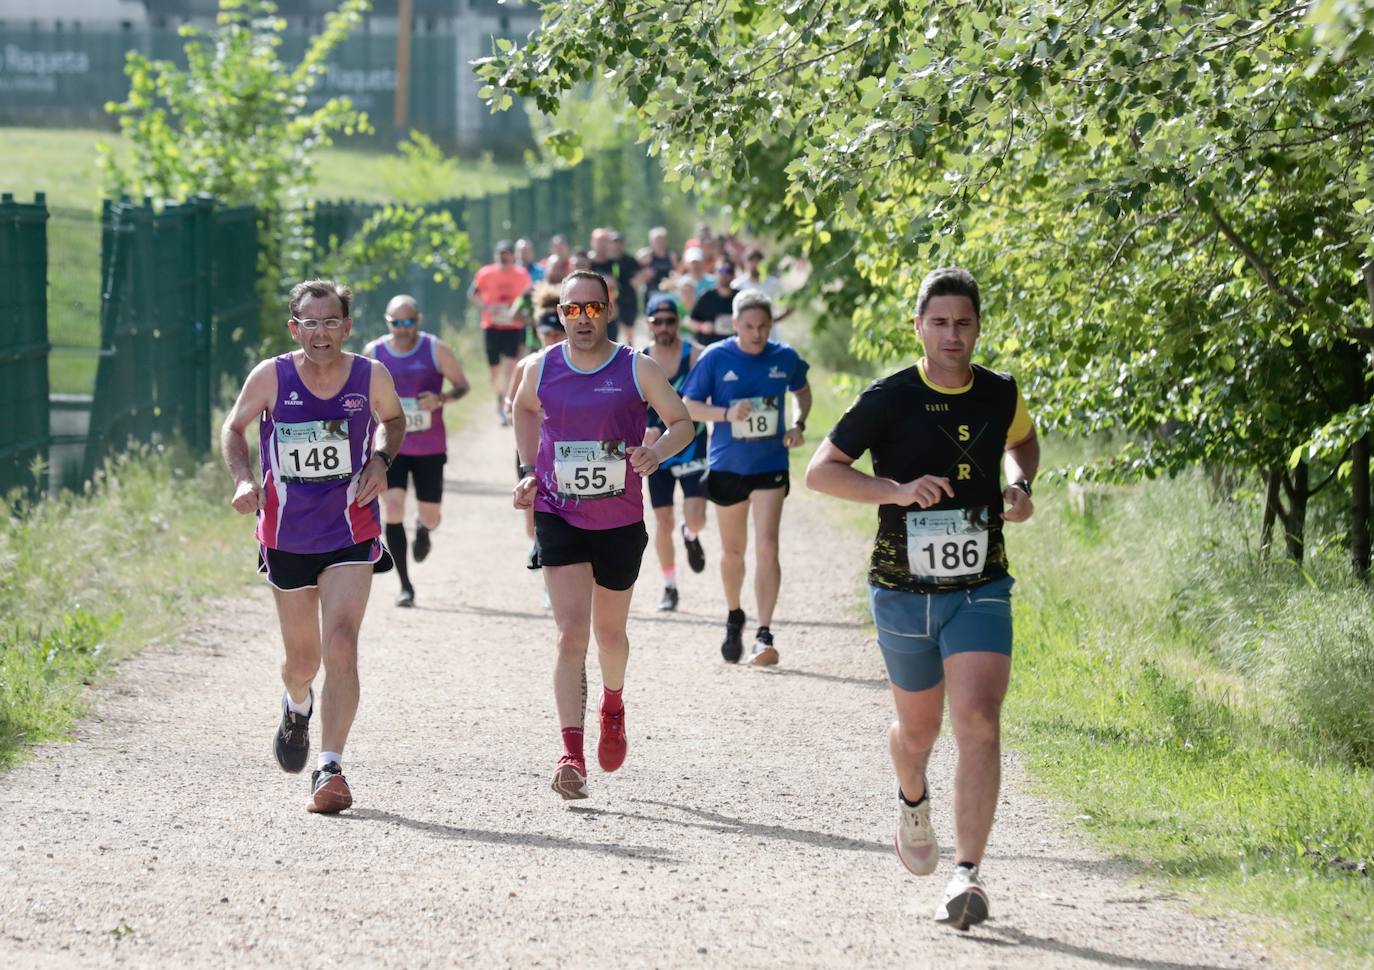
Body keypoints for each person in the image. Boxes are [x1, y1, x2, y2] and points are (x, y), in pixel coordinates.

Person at [803, 267, 1038, 931]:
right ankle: (912, 798)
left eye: (963, 322)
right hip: (903, 589)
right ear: (919, 327)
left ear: (978, 327)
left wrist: (1019, 488)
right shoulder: (889, 397)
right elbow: (821, 472)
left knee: (979, 720)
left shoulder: (999, 393)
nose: (952, 335)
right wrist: (897, 492)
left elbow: (1023, 442)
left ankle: (967, 876)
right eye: (939, 323)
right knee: (919, 731)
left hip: (980, 585)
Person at [220, 279, 405, 814]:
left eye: (331, 322)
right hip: (287, 533)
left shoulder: (371, 375)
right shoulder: (272, 376)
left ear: (347, 326)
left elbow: (393, 422)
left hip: (351, 530)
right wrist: (242, 479)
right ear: (293, 327)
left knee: (342, 644)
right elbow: (234, 429)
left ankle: (330, 767)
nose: (320, 333)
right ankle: (297, 703)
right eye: (310, 322)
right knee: (303, 661)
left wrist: (380, 459)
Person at [511, 270, 695, 800]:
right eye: (573, 310)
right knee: (571, 634)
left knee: (609, 637)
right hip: (558, 513)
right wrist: (526, 469)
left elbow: (682, 423)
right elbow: (523, 408)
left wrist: (654, 453)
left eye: (593, 308)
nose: (583, 318)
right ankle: (570, 754)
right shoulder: (540, 367)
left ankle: (612, 705)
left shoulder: (636, 367)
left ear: (608, 310)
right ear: (560, 313)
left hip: (618, 522)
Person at [681, 288, 811, 665]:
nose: (757, 334)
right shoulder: (716, 357)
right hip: (727, 466)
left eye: (763, 327)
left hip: (770, 463)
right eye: (749, 326)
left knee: (768, 546)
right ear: (735, 324)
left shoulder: (784, 357)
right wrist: (725, 414)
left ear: (771, 326)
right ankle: (734, 613)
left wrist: (799, 424)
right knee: (733, 552)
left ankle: (764, 631)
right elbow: (689, 407)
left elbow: (803, 391)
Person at [364, 294, 470, 607]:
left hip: (429, 446)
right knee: (393, 508)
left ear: (418, 321)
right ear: (388, 322)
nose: (402, 328)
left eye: (408, 322)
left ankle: (424, 529)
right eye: (396, 323)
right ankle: (406, 586)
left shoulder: (435, 349)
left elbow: (463, 385)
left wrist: (441, 399)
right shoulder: (375, 352)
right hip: (390, 446)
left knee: (431, 514)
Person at [640, 293, 709, 611]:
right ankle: (669, 587)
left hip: (692, 445)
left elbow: (707, 399)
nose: (665, 327)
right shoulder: (639, 360)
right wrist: (644, 432)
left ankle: (690, 534)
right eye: (658, 322)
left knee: (696, 519)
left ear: (678, 322)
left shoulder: (695, 355)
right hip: (658, 452)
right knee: (662, 521)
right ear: (648, 324)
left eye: (670, 321)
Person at [469, 240, 533, 426]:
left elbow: (529, 295)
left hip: (512, 328)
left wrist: (519, 311)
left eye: (507, 255)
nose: (504, 259)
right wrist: (487, 307)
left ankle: (506, 401)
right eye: (500, 255)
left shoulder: (521, 274)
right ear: (496, 256)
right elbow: (472, 294)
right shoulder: (485, 273)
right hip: (491, 326)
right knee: (494, 370)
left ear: (513, 256)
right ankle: (499, 395)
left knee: (511, 366)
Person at [732, 248, 792, 322]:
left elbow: (790, 303)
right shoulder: (737, 285)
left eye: (757, 261)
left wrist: (776, 320)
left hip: (770, 331)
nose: (754, 264)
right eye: (751, 261)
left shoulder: (773, 283)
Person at [688, 260, 739, 347]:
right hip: (709, 348)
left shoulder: (740, 298)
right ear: (715, 273)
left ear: (733, 275)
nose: (724, 274)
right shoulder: (706, 297)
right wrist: (702, 327)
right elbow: (689, 321)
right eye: (721, 270)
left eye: (729, 271)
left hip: (734, 349)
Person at [644, 226, 679, 294]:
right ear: (651, 242)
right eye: (657, 241)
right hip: (651, 292)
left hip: (668, 290)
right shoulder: (646, 256)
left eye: (661, 240)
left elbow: (677, 273)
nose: (659, 243)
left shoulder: (672, 256)